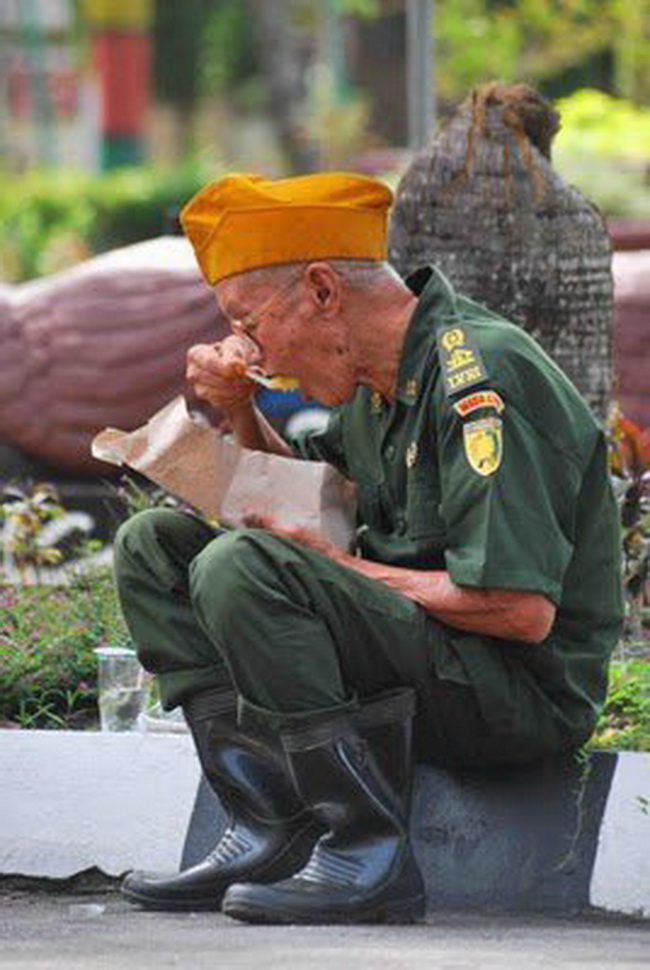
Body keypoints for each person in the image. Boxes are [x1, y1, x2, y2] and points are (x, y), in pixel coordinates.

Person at [113, 172, 623, 925]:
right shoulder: (375, 382)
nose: (246, 350)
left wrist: (338, 569)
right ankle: (269, 823)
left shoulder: (479, 378)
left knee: (236, 566)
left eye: (249, 324)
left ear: (322, 291)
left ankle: (368, 853)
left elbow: (519, 612)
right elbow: (305, 515)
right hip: (425, 658)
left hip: (513, 693)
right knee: (153, 544)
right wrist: (240, 408)